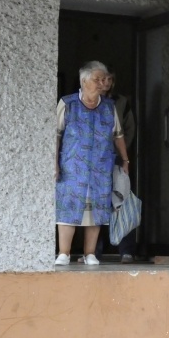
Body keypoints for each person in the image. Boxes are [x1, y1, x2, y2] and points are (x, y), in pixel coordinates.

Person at [55, 61, 130, 266]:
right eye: (97, 79)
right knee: (68, 207)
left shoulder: (108, 106)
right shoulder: (67, 103)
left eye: (104, 79)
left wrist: (125, 159)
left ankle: (90, 253)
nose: (101, 83)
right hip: (72, 166)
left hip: (100, 166)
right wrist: (54, 163)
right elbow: (56, 135)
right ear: (84, 81)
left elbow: (118, 135)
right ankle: (64, 252)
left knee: (96, 211)